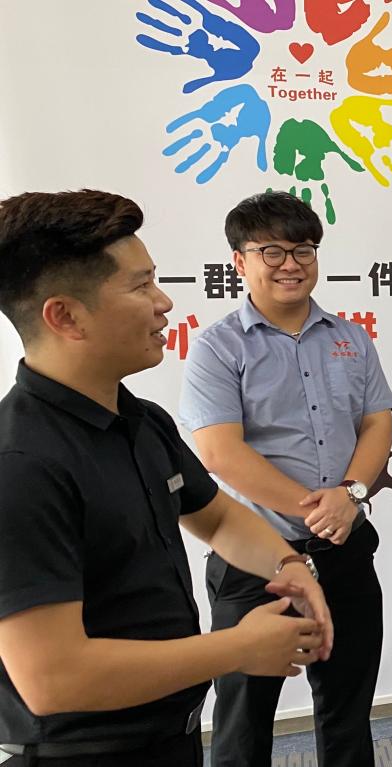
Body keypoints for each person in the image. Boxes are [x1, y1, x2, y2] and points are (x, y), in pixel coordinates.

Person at [0, 190, 332, 767]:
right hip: (81, 754)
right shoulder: (22, 465)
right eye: (141, 286)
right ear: (65, 316)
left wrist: (289, 566)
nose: (164, 303)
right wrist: (238, 648)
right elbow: (54, 678)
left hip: (170, 735)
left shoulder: (140, 420)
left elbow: (217, 517)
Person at [179, 191, 392, 767]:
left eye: (303, 250)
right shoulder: (218, 348)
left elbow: (377, 423)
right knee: (243, 720)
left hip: (345, 549)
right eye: (271, 251)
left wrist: (350, 496)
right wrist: (318, 508)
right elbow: (220, 453)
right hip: (257, 560)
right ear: (239, 261)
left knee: (348, 708)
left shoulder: (351, 337)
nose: (290, 264)